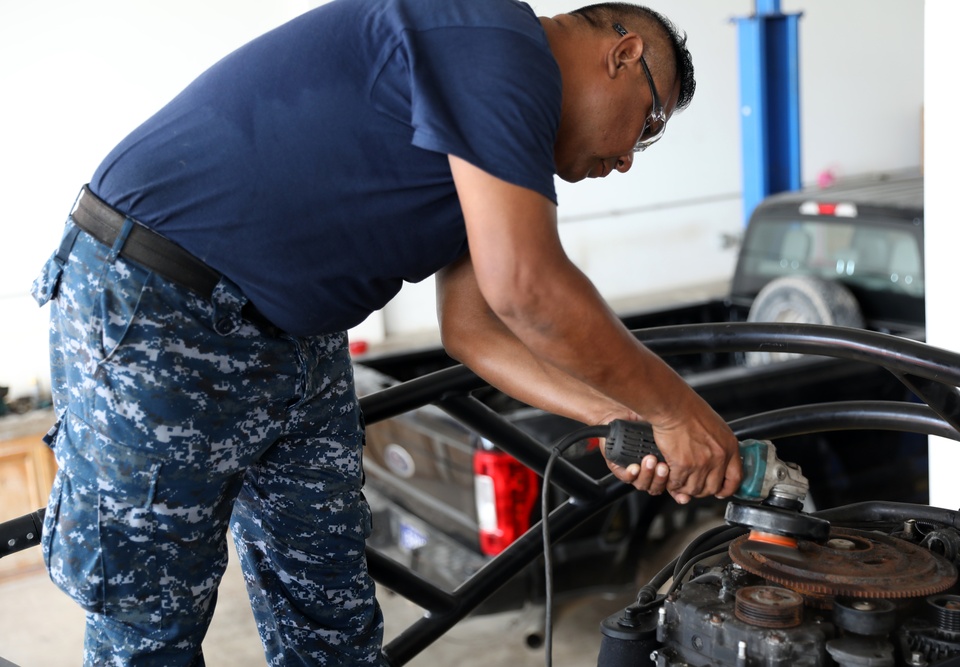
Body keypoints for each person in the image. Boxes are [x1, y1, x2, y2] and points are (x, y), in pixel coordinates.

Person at [31, 0, 741, 664]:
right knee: (150, 622)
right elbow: (527, 287)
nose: (624, 160)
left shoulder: (496, 140)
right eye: (647, 126)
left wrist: (620, 415)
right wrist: (675, 409)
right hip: (158, 299)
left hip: (296, 340)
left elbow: (475, 332)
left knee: (330, 612)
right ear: (621, 55)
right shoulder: (495, 40)